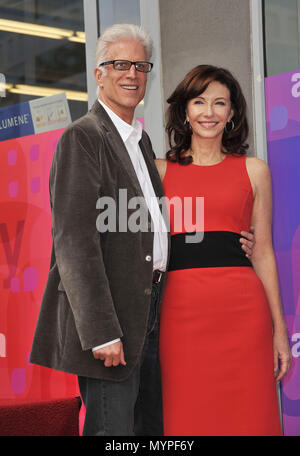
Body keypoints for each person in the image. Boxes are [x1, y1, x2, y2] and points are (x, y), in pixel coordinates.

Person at [29, 26, 254, 436]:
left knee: (146, 430)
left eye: (140, 65)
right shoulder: (84, 137)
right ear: (99, 74)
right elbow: (75, 243)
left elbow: (150, 224)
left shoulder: (140, 143)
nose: (131, 73)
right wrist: (101, 333)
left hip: (149, 315)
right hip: (109, 322)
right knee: (113, 432)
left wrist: (234, 241)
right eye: (119, 64)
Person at [155, 65, 292, 436]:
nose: (209, 112)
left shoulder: (254, 170)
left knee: (250, 417)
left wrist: (280, 330)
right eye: (199, 102)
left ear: (232, 113)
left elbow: (263, 252)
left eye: (220, 103)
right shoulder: (159, 172)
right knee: (186, 414)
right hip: (179, 314)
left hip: (243, 314)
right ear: (185, 110)